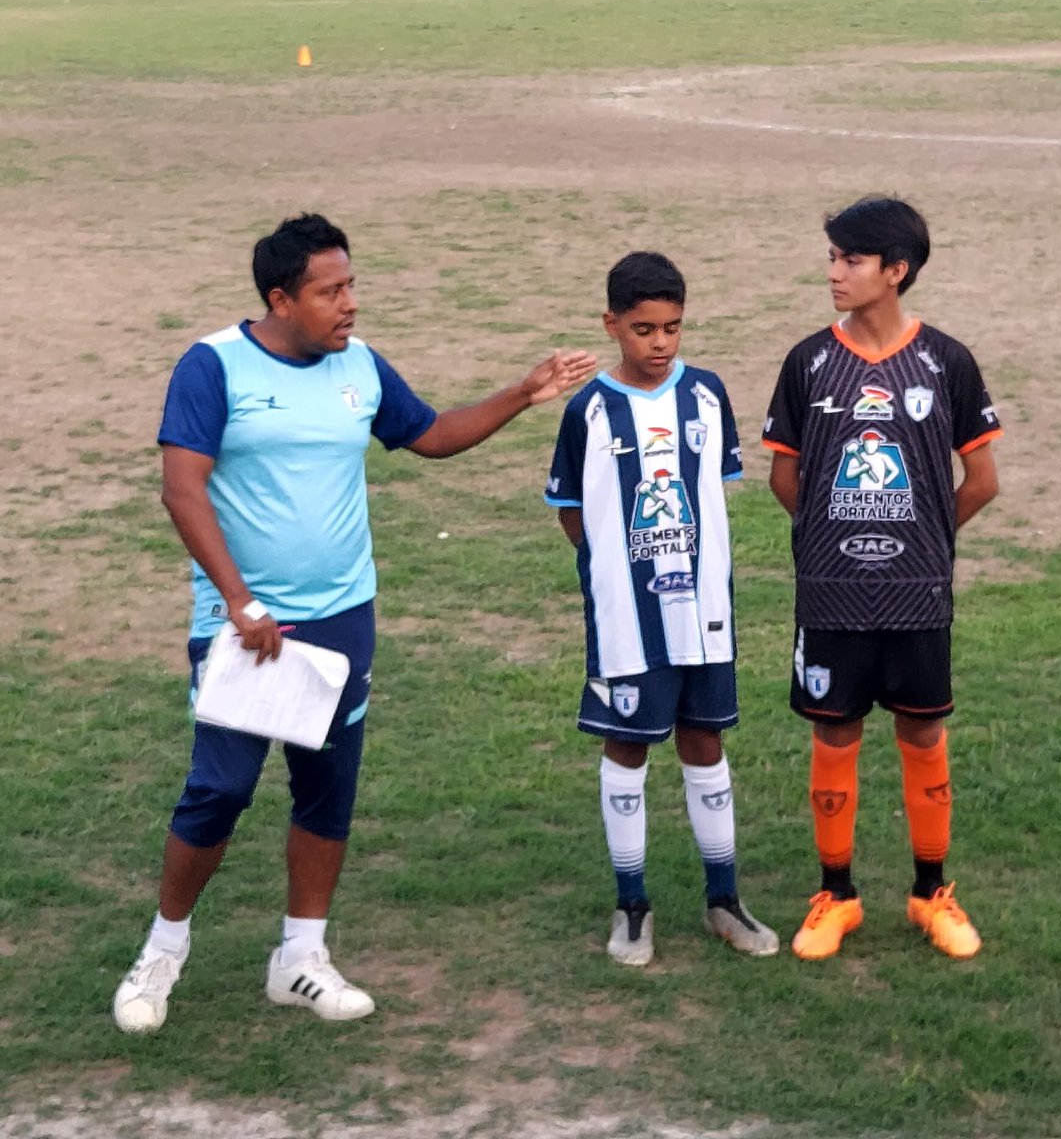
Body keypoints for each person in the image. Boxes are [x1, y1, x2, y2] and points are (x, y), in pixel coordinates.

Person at [112, 213, 596, 1033]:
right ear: (280, 298)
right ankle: (163, 951)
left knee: (326, 788)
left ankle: (299, 957)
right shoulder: (213, 367)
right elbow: (182, 489)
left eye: (351, 286)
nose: (349, 305)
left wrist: (524, 392)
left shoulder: (360, 368)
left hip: (342, 621)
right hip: (245, 628)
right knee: (219, 789)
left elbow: (431, 435)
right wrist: (238, 599)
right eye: (330, 291)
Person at [762, 197, 1001, 962]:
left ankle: (932, 892)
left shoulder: (948, 362)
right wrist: (836, 543)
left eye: (851, 259)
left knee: (923, 729)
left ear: (894, 271)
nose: (834, 272)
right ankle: (836, 896)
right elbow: (785, 475)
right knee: (835, 730)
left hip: (917, 592)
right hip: (831, 593)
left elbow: (982, 479)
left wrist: (920, 541)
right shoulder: (808, 361)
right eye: (831, 257)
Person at [544, 251, 778, 968]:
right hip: (627, 617)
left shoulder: (706, 395)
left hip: (703, 611)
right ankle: (632, 905)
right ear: (611, 324)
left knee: (704, 742)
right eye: (643, 329)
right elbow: (569, 508)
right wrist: (611, 569)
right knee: (629, 745)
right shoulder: (587, 408)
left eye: (672, 328)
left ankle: (724, 898)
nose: (660, 344)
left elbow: (716, 487)